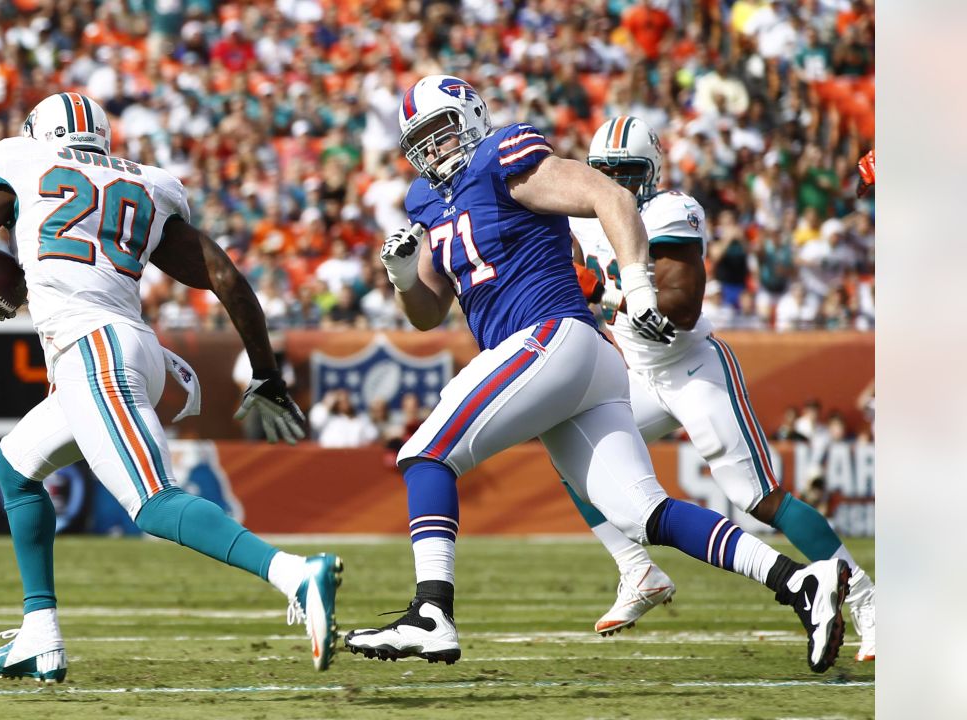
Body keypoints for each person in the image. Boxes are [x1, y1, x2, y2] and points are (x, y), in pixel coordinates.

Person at [342, 76, 849, 674]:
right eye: (420, 142)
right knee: (646, 513)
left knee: (426, 453)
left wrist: (637, 289)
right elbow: (427, 313)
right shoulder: (426, 201)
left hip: (550, 334)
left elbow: (612, 197)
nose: (433, 150)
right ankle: (799, 584)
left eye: (441, 131)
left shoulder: (502, 155)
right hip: (579, 366)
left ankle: (431, 612)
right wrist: (404, 276)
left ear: (472, 118)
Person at [0, 92, 343, 682]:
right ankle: (39, 636)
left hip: (93, 353)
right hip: (134, 351)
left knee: (153, 503)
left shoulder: (19, 160)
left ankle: (293, 573)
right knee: (16, 466)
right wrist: (266, 373)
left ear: (37, 134)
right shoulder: (149, 183)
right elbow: (225, 276)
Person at [566, 115, 876, 662]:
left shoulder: (669, 211)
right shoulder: (580, 216)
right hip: (638, 376)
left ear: (652, 173)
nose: (614, 184)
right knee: (573, 451)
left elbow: (681, 310)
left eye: (626, 172)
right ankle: (637, 571)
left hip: (691, 369)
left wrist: (605, 295)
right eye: (604, 172)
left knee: (758, 498)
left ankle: (869, 603)